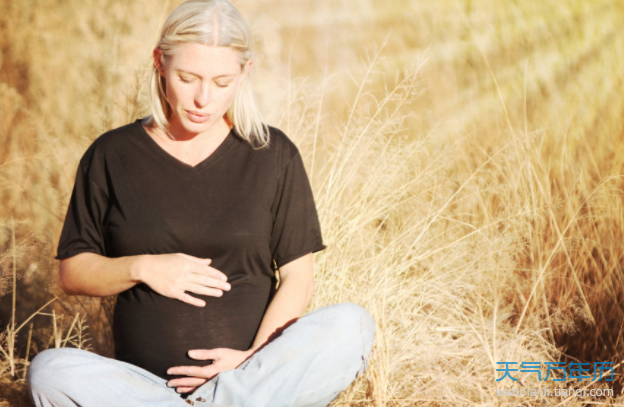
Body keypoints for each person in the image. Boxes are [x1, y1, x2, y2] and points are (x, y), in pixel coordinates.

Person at [26, 0, 375, 406]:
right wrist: (144, 267)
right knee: (50, 371)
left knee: (353, 325)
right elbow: (73, 273)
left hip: (251, 376)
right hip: (144, 390)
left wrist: (252, 360)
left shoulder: (273, 153)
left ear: (244, 73)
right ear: (160, 62)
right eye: (188, 78)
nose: (203, 99)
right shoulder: (111, 155)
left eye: (222, 81)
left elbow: (299, 276)